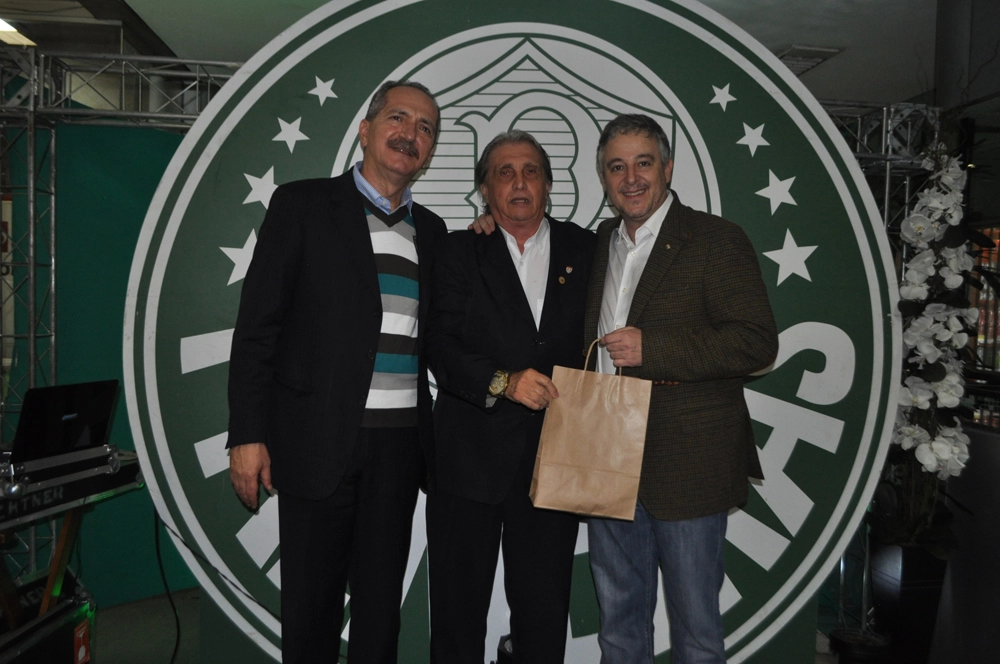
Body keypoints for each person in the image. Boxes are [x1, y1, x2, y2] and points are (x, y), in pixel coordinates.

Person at [226, 80, 446, 664]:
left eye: (425, 128)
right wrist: (247, 434)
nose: (411, 134)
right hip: (314, 442)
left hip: (400, 450)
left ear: (429, 152)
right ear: (366, 129)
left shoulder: (437, 233)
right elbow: (257, 330)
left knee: (380, 615)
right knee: (310, 613)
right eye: (399, 118)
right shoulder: (300, 206)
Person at [585, 114, 778, 663]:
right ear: (604, 177)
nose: (630, 177)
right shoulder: (601, 241)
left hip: (690, 464)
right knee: (619, 625)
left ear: (667, 168)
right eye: (616, 166)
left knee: (696, 630)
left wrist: (656, 349)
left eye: (643, 162)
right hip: (607, 459)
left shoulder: (717, 240)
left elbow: (757, 344)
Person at [425, 130, 597, 663]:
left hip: (555, 463)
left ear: (549, 183)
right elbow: (438, 342)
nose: (519, 182)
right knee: (456, 617)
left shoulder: (590, 249)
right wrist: (503, 381)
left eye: (530, 171)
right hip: (465, 463)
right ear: (484, 189)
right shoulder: (457, 249)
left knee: (544, 618)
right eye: (504, 172)